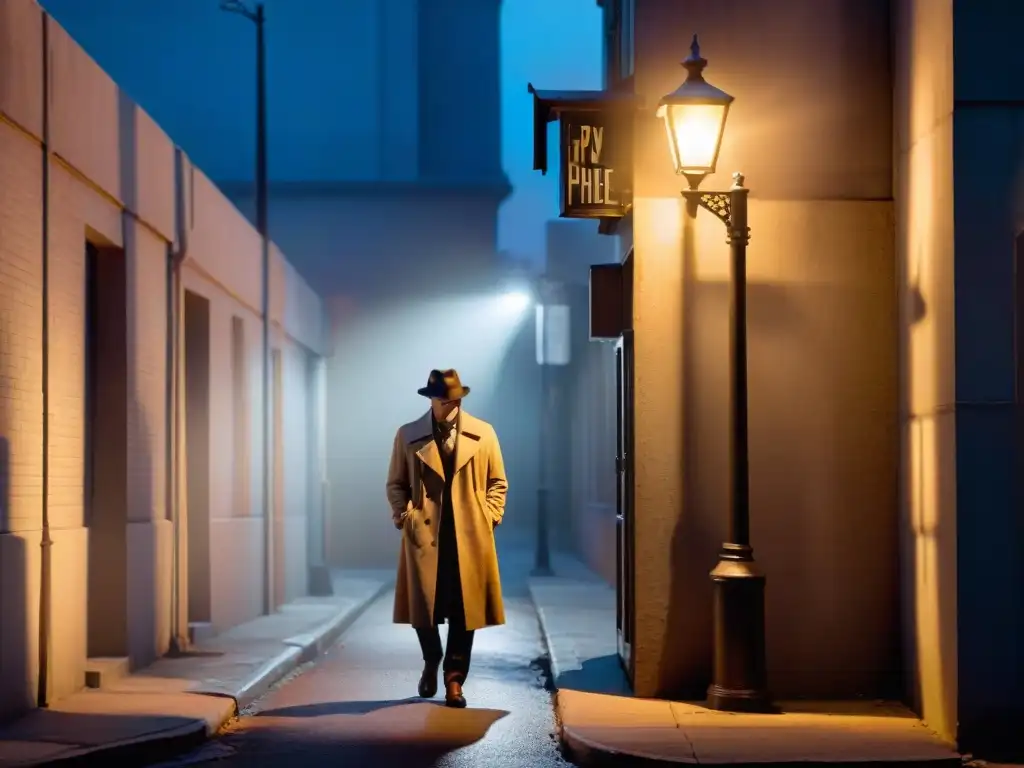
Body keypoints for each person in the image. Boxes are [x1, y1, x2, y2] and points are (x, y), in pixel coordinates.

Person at [386, 368, 508, 708]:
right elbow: (395, 482)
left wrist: (490, 515)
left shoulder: (484, 434)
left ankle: (455, 680)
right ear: (432, 400)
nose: (451, 406)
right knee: (423, 609)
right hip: (424, 534)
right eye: (445, 399)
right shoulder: (408, 435)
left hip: (468, 535)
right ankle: (431, 659)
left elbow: (498, 481)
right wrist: (403, 515)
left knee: (463, 611)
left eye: (456, 399)